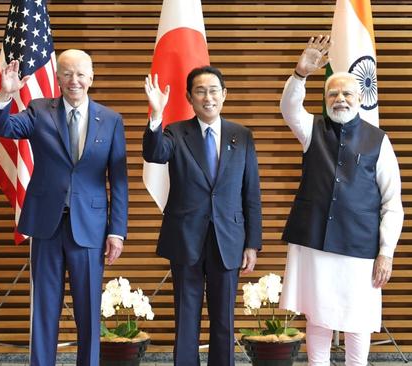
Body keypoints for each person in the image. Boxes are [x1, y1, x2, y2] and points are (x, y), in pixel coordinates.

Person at [0, 49, 128, 366]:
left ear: (91, 77)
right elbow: (1, 128)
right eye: (67, 73)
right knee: (45, 308)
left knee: (89, 310)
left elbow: (118, 181)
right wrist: (4, 97)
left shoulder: (111, 120)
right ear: (58, 77)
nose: (74, 80)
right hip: (46, 224)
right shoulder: (38, 111)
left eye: (80, 73)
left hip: (90, 227)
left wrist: (117, 231)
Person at [279, 35, 404, 366]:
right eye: (332, 93)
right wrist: (300, 74)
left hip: (360, 246)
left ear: (360, 98)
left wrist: (386, 253)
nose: (340, 99)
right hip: (316, 242)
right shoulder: (312, 129)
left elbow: (392, 202)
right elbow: (289, 109)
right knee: (317, 317)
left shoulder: (379, 141)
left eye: (347, 93)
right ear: (325, 99)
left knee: (358, 318)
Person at [143, 66, 262, 366]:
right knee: (186, 317)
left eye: (213, 91)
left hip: (229, 239)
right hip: (186, 238)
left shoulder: (242, 135)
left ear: (224, 95)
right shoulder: (175, 132)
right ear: (189, 97)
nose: (207, 97)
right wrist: (156, 116)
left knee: (224, 319)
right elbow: (155, 153)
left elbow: (251, 193)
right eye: (200, 91)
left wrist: (252, 243)